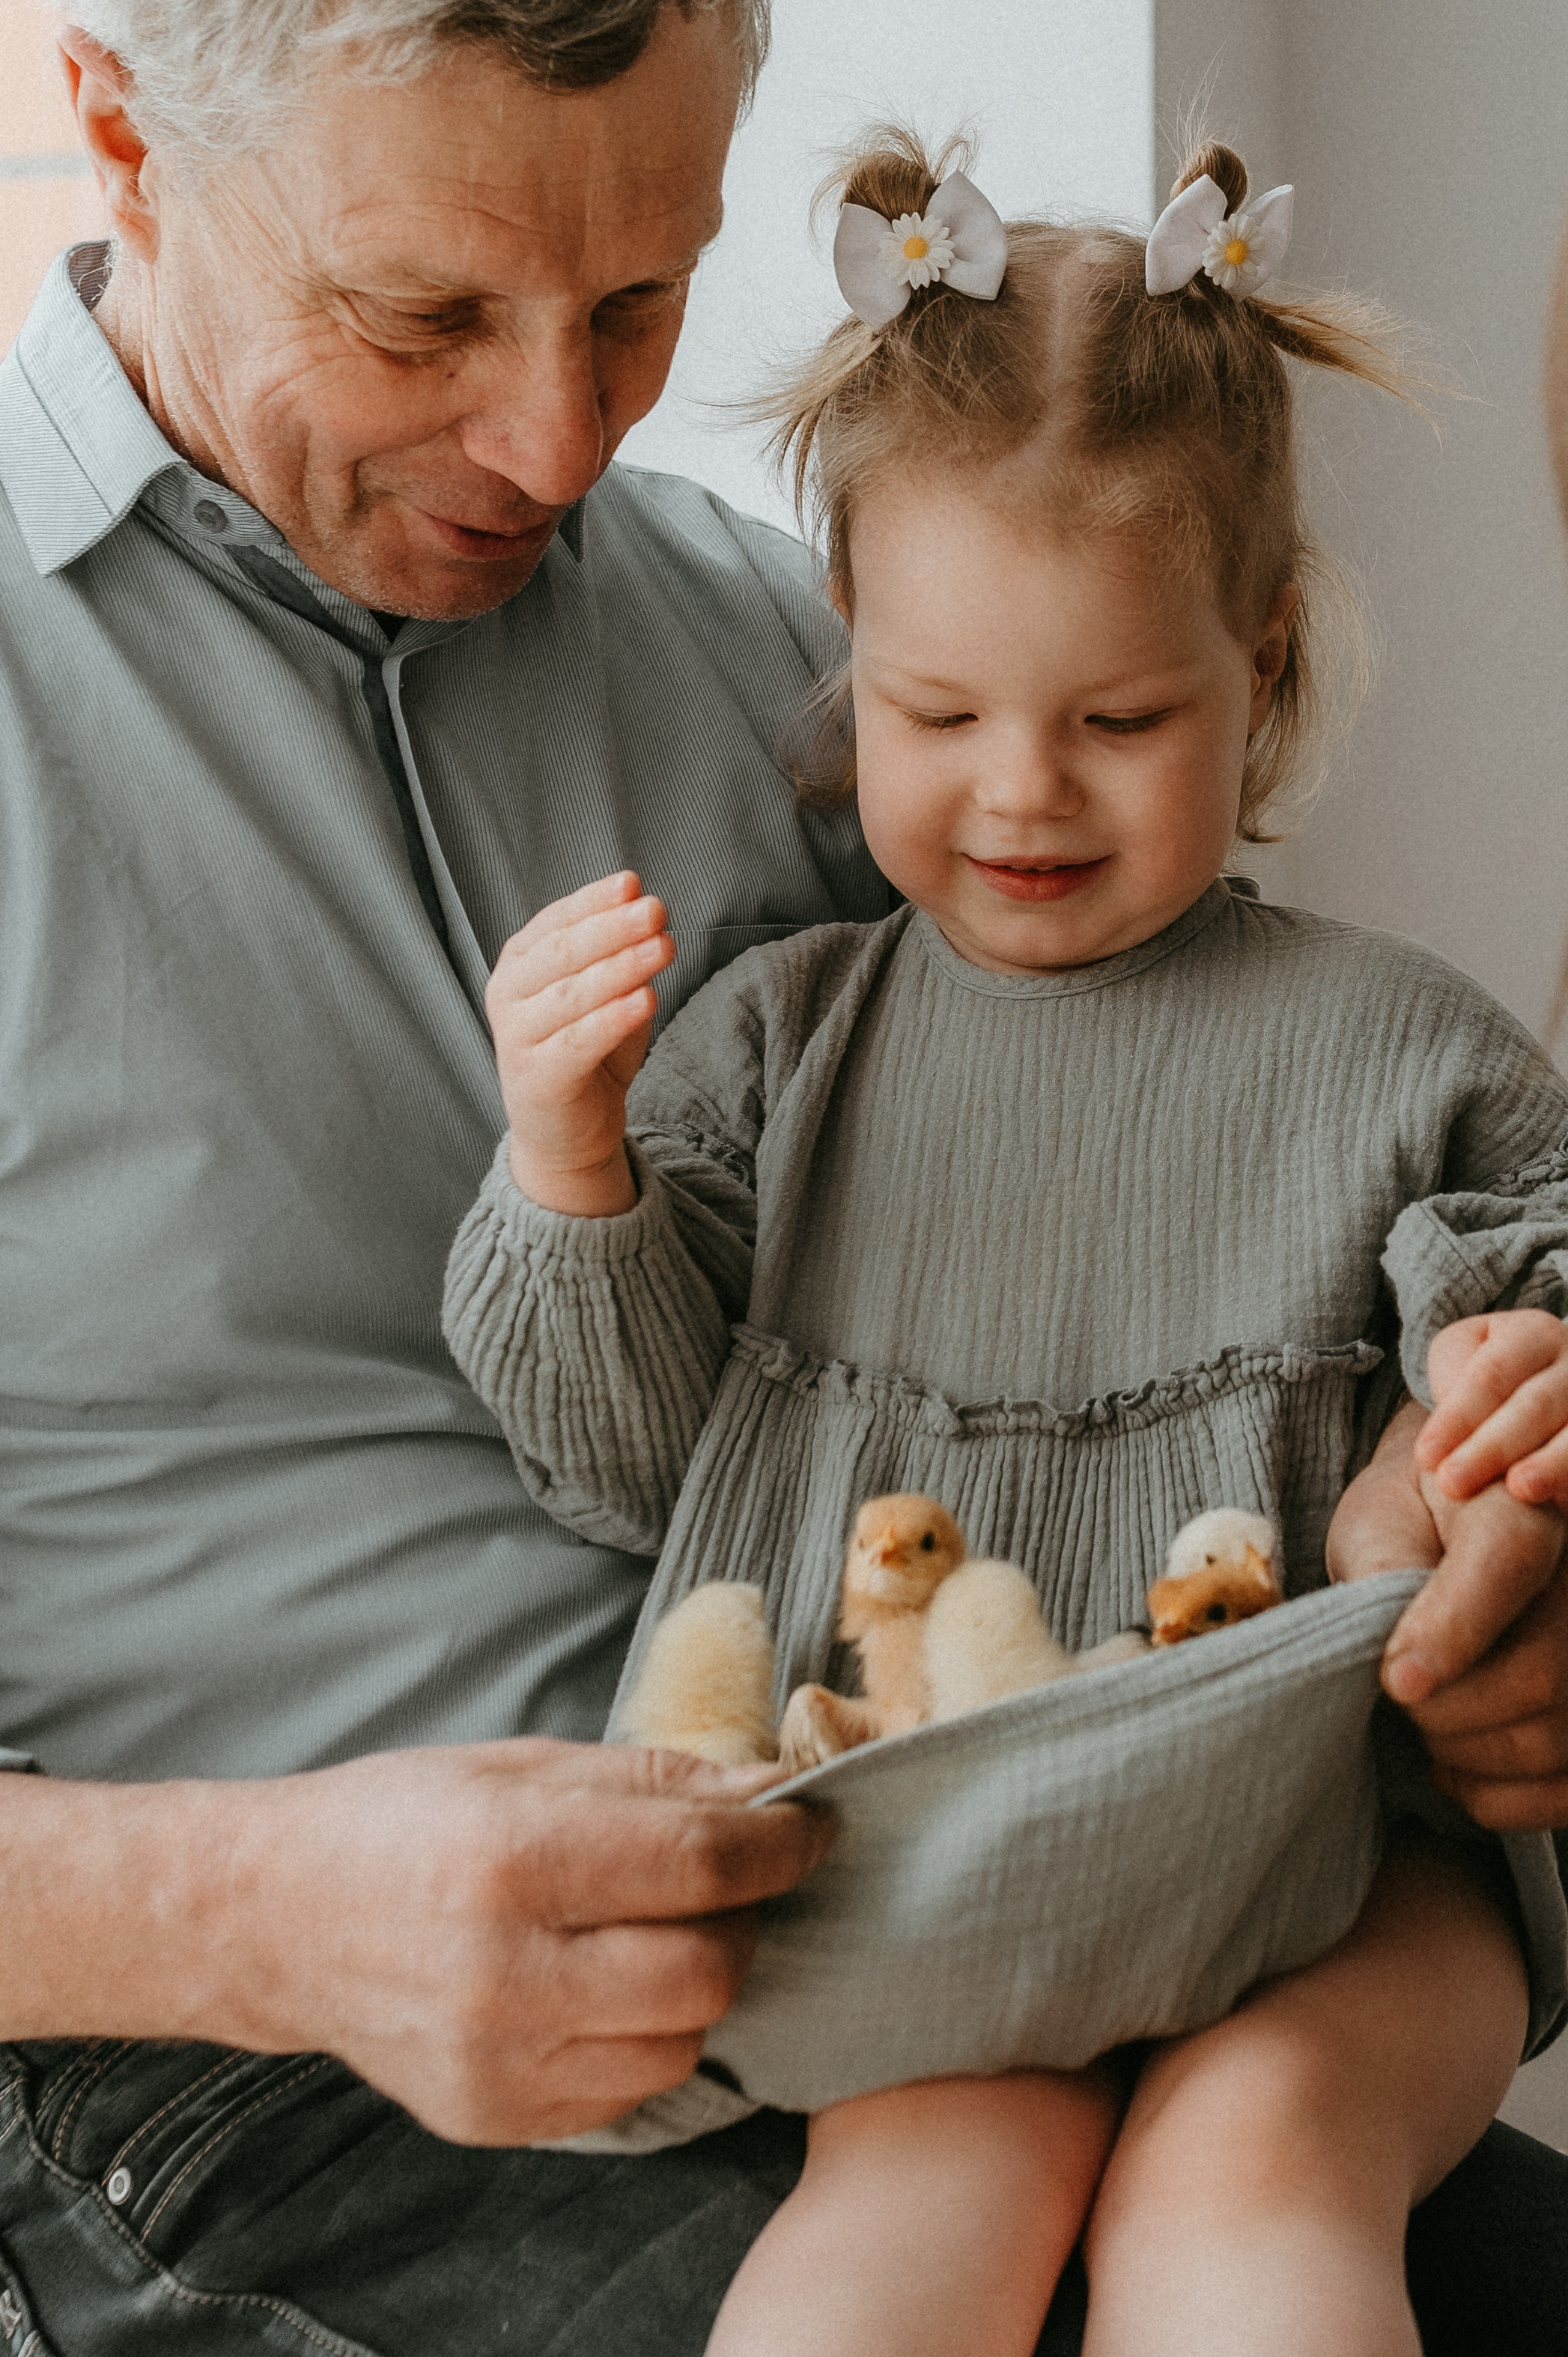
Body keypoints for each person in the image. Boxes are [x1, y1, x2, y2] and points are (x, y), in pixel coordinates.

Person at [0, 1, 1566, 2347]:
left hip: (973, 1877)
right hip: (272, 2062)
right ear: (117, 140)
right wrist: (243, 1904)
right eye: (422, 315)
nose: (551, 438)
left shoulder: (799, 655)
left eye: (640, 302)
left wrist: (1496, 1580)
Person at [444, 130, 1568, 2357]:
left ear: (1258, 670)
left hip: (1347, 1849)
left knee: (1248, 2193)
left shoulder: (1394, 1045)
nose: (1025, 792)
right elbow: (629, 1458)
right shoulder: (786, 1044)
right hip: (955, 1866)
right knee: (908, 2215)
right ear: (850, 664)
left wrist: (1483, 1416)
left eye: (1122, 721)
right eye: (936, 718)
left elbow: (1528, 1286)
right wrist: (567, 1158)